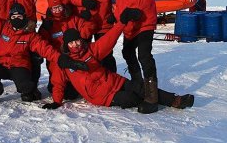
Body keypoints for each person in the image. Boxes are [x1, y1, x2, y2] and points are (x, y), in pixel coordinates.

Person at [103, 0, 197, 114]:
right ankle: (138, 85)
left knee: (144, 56)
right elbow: (123, 5)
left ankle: (152, 98)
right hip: (130, 27)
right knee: (127, 53)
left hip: (144, 23)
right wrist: (115, 17)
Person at [41, 22, 195, 112]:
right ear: (66, 45)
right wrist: (56, 101)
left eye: (77, 41)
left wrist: (121, 23)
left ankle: (176, 100)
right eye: (72, 43)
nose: (76, 44)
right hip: (102, 96)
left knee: (142, 88)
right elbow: (58, 83)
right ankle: (146, 103)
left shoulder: (91, 50)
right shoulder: (64, 63)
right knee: (132, 98)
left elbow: (108, 40)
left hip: (115, 81)